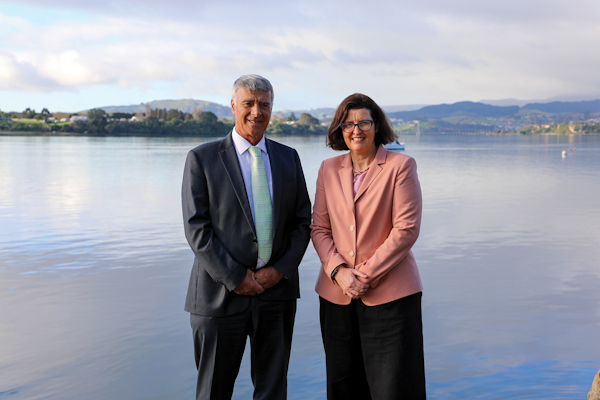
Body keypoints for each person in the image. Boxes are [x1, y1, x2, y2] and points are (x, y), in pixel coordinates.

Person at [182, 74, 311, 400]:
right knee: (213, 392)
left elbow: (302, 222)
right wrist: (236, 276)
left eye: (264, 104)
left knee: (272, 392)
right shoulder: (202, 159)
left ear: (272, 108)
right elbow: (197, 228)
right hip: (218, 296)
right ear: (233, 106)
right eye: (248, 103)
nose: (256, 111)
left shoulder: (288, 158)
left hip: (276, 294)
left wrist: (279, 270)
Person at [311, 93, 426, 399]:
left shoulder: (401, 166)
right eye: (348, 124)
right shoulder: (327, 169)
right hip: (336, 298)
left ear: (377, 126)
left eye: (363, 122)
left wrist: (363, 276)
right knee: (343, 387)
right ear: (339, 130)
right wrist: (339, 272)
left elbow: (406, 229)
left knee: (395, 388)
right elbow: (319, 228)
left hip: (391, 298)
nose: (356, 130)